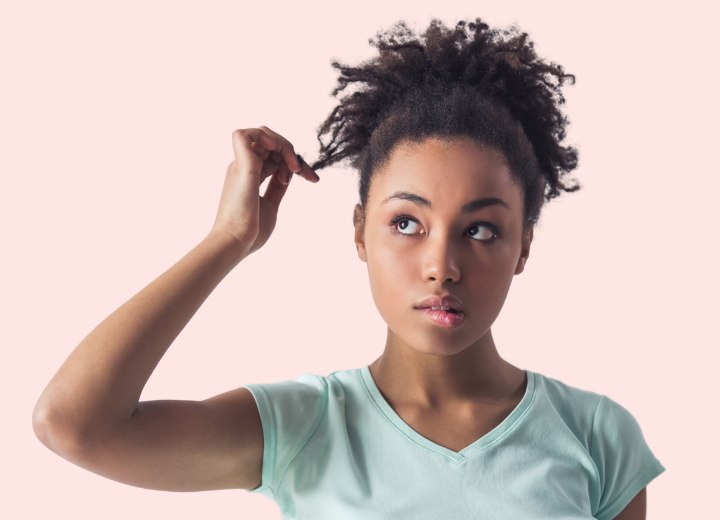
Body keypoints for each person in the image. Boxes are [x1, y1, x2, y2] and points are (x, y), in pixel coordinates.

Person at [32, 18, 664, 519]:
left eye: (480, 229)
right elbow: (74, 425)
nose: (441, 265)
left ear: (523, 246)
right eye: (407, 223)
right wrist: (229, 237)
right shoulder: (304, 426)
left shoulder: (597, 436)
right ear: (360, 231)